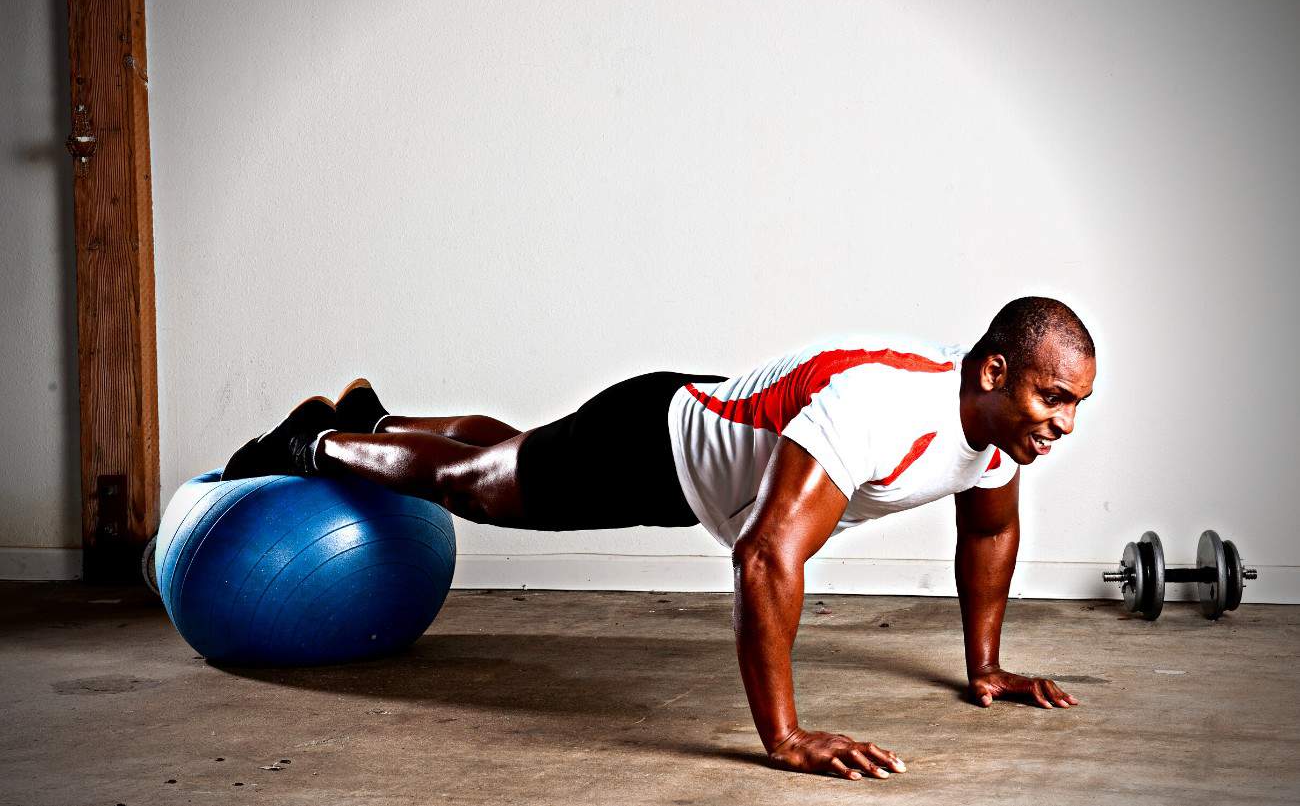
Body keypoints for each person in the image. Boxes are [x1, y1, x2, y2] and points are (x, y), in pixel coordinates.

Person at [222, 295, 1097, 782]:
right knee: (476, 488)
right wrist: (784, 736)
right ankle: (314, 440)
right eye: (1052, 398)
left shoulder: (991, 432)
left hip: (692, 464)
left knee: (511, 453)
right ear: (994, 373)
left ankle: (376, 417)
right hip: (657, 441)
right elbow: (765, 553)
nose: (1061, 425)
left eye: (1076, 406)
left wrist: (985, 666)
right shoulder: (883, 405)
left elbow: (990, 531)